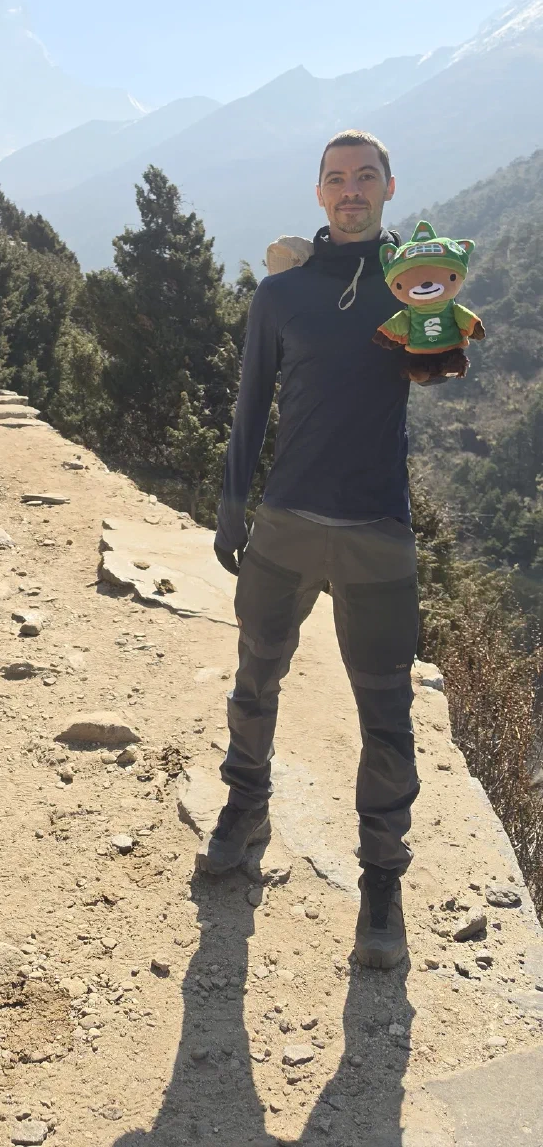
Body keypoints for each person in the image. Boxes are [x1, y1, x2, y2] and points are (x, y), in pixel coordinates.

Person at [209, 129, 421, 972]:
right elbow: (250, 403)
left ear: (390, 188)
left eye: (365, 176)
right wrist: (232, 504)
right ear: (319, 192)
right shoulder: (281, 294)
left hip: (378, 529)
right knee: (256, 674)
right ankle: (244, 807)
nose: (351, 189)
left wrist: (439, 333)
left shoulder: (416, 289)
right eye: (337, 178)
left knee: (387, 714)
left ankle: (382, 884)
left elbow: (445, 358)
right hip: (288, 518)